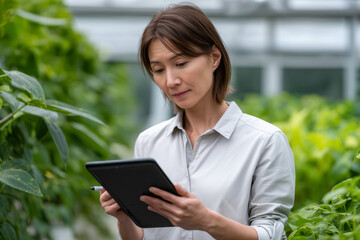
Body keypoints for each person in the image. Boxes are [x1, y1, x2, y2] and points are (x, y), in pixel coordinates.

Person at [99, 3, 295, 240]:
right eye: (159, 70)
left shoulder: (265, 141)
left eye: (181, 64)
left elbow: (271, 234)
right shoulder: (149, 141)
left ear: (214, 58)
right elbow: (148, 236)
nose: (171, 81)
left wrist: (207, 222)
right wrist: (125, 218)